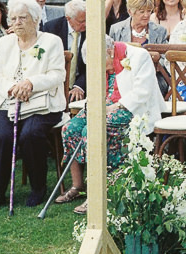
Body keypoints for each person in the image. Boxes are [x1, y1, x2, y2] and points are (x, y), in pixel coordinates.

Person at [57, 36, 166, 212]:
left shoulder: (139, 56)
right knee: (70, 128)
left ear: (109, 51)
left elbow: (142, 93)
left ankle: (99, 193)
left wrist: (113, 107)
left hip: (134, 109)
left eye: (102, 64)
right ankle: (78, 186)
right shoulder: (102, 58)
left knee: (93, 131)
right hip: (107, 104)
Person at [0, 0, 66, 211]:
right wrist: (12, 89)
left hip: (42, 102)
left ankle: (38, 187)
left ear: (36, 19)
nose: (16, 22)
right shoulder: (5, 42)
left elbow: (58, 74)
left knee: (30, 135)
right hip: (7, 101)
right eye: (12, 18)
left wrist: (31, 83)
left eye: (22, 17)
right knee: (1, 137)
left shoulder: (51, 41)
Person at [45, 0, 87, 104]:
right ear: (68, 19)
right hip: (56, 86)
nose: (86, 24)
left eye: (87, 20)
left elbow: (94, 64)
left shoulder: (93, 30)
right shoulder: (51, 28)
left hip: (82, 85)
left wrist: (79, 86)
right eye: (81, 21)